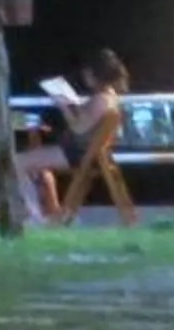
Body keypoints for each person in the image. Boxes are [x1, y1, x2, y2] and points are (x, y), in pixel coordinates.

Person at [14, 49, 131, 223]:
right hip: (87, 153)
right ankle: (45, 212)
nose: (84, 77)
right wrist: (73, 104)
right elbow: (85, 120)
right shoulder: (110, 97)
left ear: (96, 75)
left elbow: (78, 128)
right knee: (35, 162)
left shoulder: (101, 99)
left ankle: (35, 216)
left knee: (17, 161)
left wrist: (62, 105)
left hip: (76, 154)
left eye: (87, 74)